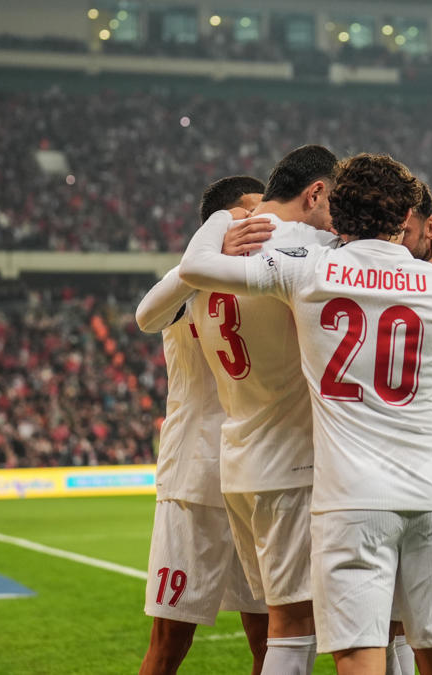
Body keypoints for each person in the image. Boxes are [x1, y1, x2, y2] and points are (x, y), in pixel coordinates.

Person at [180, 153, 432, 675]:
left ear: (336, 214)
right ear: (405, 217)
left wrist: (225, 218)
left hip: (350, 499)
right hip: (431, 491)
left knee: (360, 656)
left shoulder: (308, 269)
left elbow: (195, 268)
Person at [185, 145, 340, 675]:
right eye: (334, 202)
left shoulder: (215, 255)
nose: (337, 219)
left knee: (282, 625)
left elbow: (152, 309)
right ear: (315, 193)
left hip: (240, 463)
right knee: (297, 631)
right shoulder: (309, 247)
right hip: (293, 465)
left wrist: (219, 223)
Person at [136, 175, 269, 675]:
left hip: (253, 474)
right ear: (225, 217)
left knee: (271, 638)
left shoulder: (265, 275)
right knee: (170, 641)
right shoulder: (188, 278)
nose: (265, 220)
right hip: (193, 479)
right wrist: (213, 243)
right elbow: (146, 316)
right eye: (252, 211)